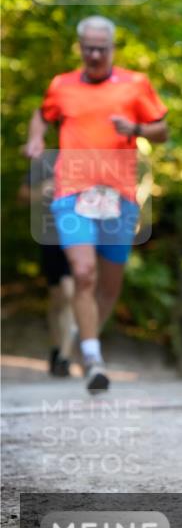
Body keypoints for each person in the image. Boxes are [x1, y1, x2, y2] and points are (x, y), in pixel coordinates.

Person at [24, 16, 168, 394]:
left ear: (112, 48)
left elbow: (162, 130)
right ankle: (92, 359)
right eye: (88, 47)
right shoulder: (61, 85)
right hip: (71, 192)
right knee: (82, 272)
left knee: (108, 285)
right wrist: (36, 140)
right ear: (80, 47)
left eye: (101, 48)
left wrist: (135, 130)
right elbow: (41, 116)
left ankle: (80, 338)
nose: (94, 54)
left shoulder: (135, 84)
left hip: (117, 195)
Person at [18, 153, 77, 377]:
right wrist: (42, 190)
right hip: (51, 236)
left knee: (70, 293)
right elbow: (22, 196)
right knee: (57, 298)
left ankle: (65, 356)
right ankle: (57, 348)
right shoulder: (46, 162)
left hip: (80, 236)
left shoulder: (91, 158)